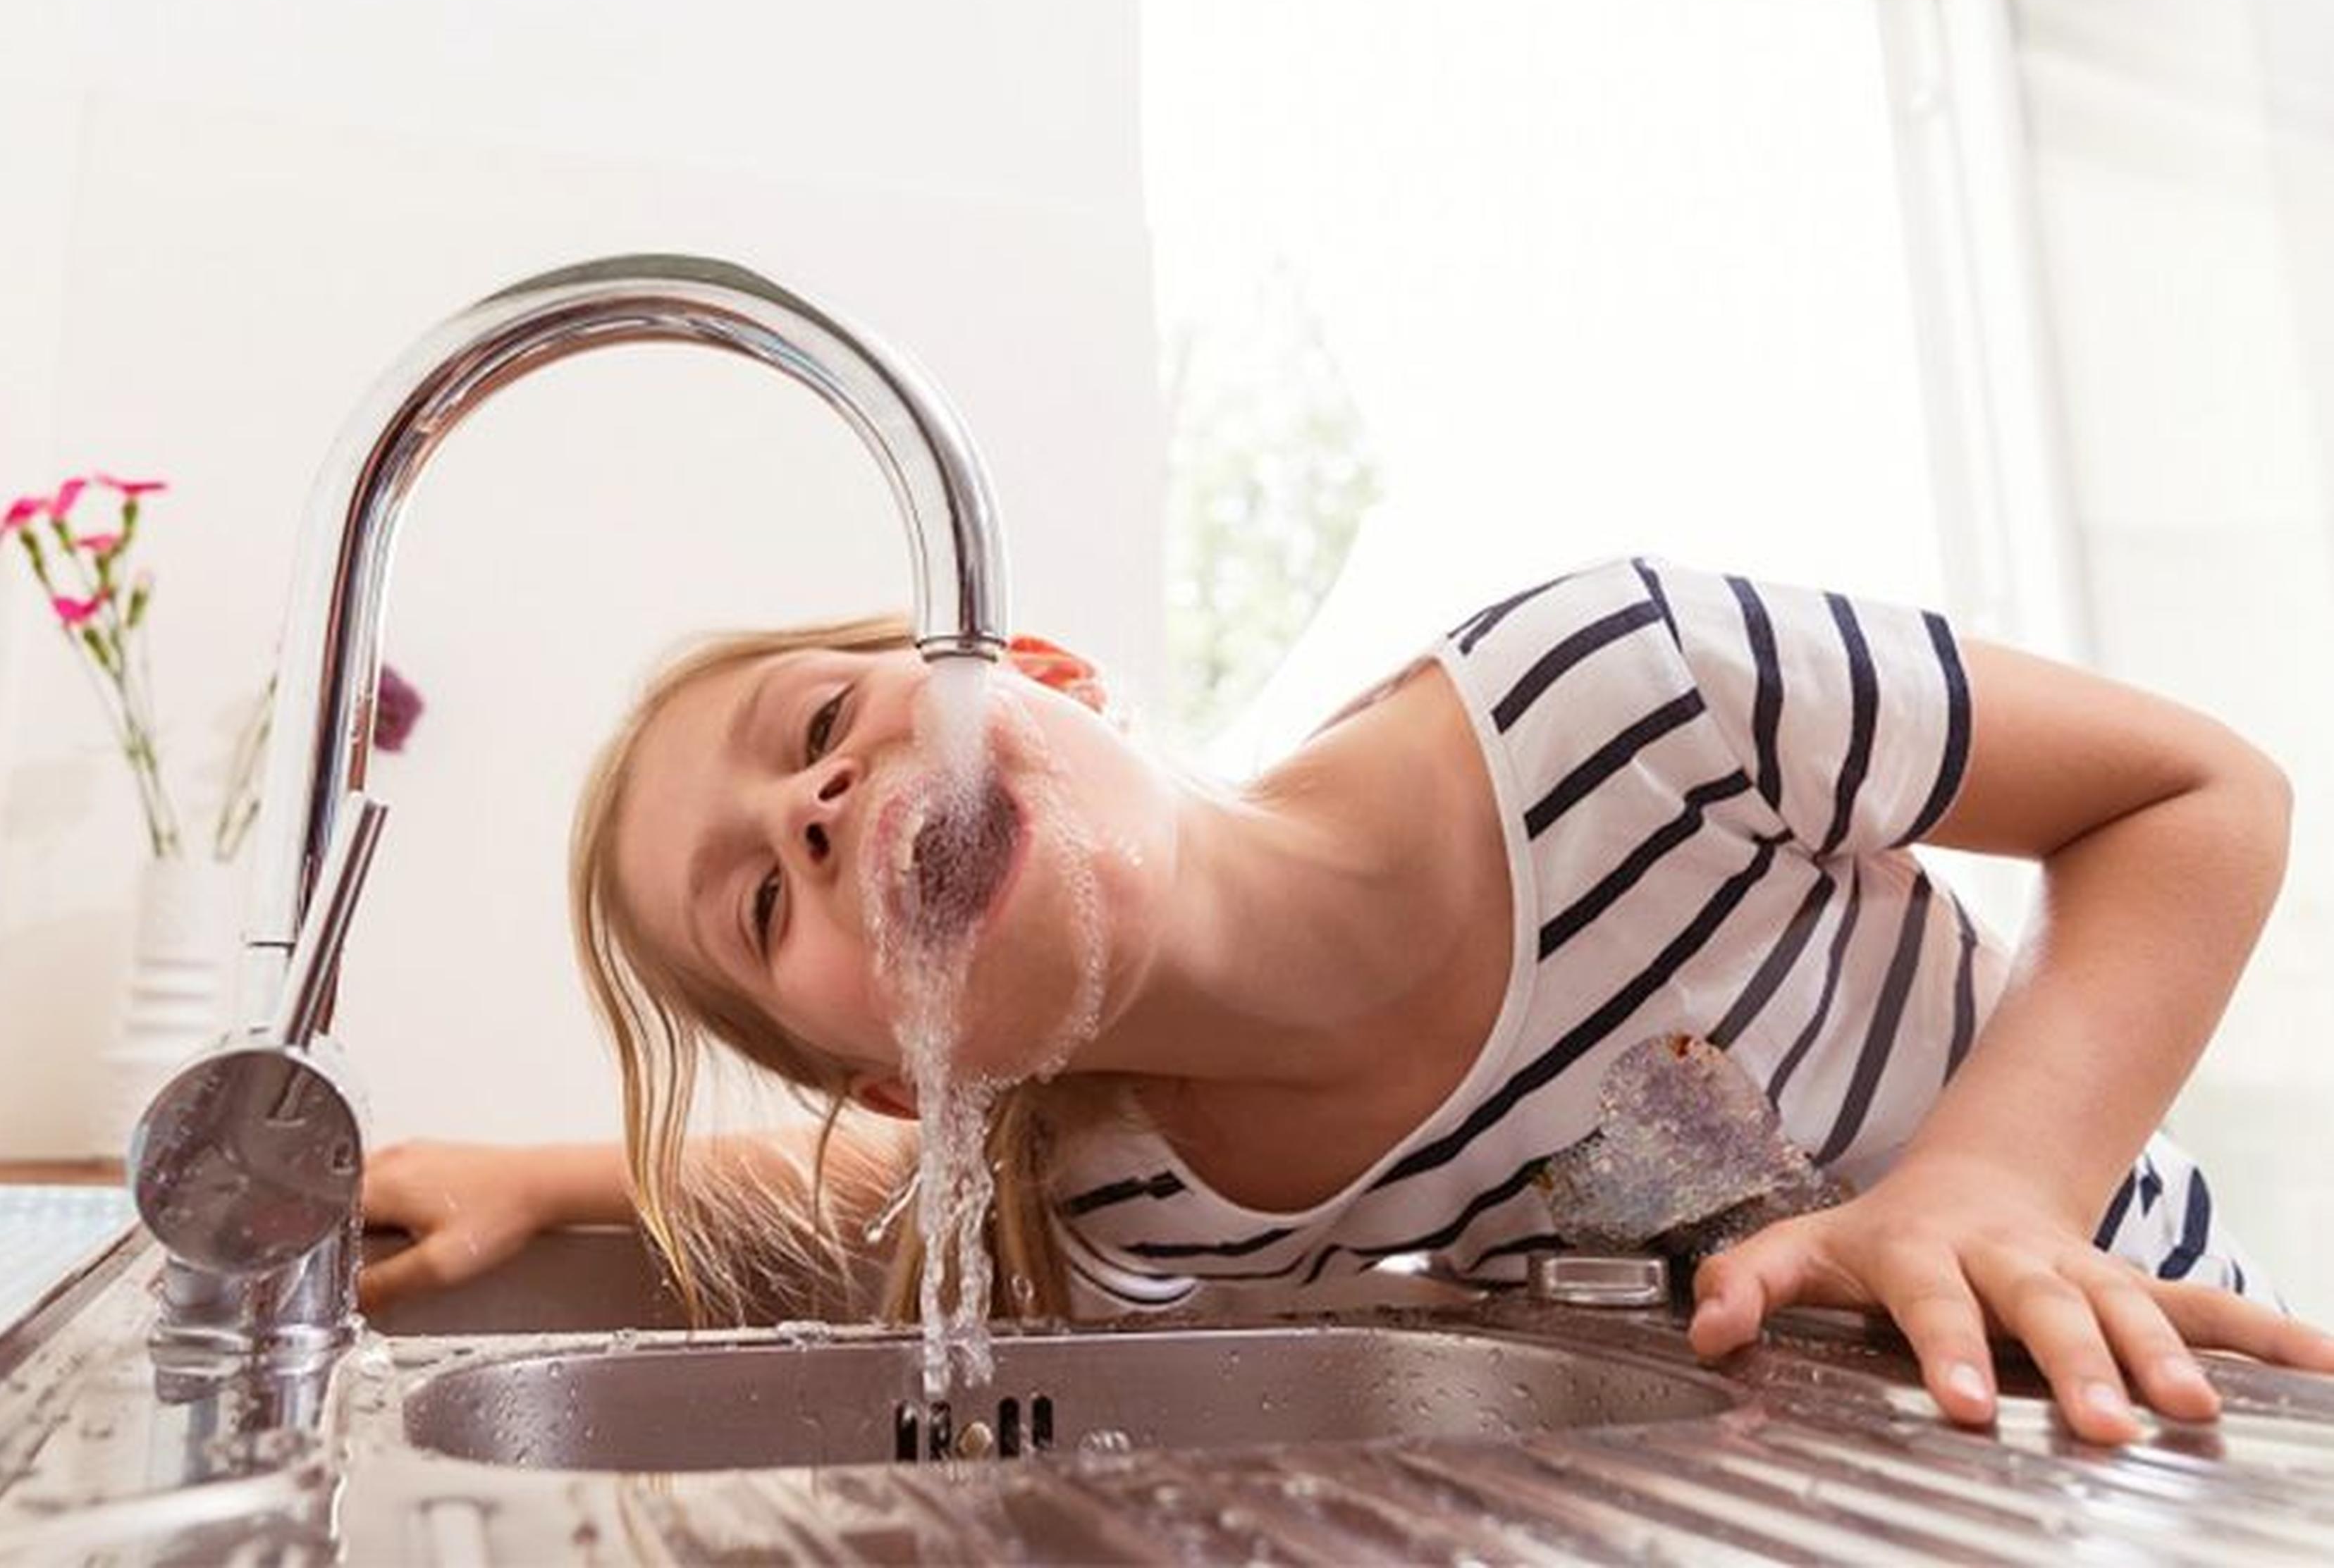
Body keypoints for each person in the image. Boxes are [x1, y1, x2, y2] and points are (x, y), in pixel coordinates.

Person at [362, 556, 2334, 1444]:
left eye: (815, 727)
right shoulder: (1137, 1189)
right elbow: (885, 1199)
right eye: (763, 899)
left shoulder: (1627, 689)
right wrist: (556, 1179)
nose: (809, 809)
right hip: (1841, 1475)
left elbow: (2198, 793)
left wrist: (1989, 1189)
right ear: (915, 1057)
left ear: (1039, 665)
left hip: (2143, 1373)